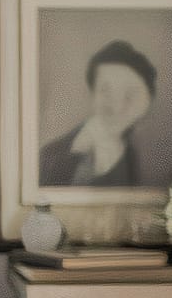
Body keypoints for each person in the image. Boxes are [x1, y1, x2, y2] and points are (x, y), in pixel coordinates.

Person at [39, 39, 158, 188]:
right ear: (92, 93)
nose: (117, 106)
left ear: (148, 100)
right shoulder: (54, 156)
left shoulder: (136, 151)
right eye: (105, 91)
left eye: (130, 94)